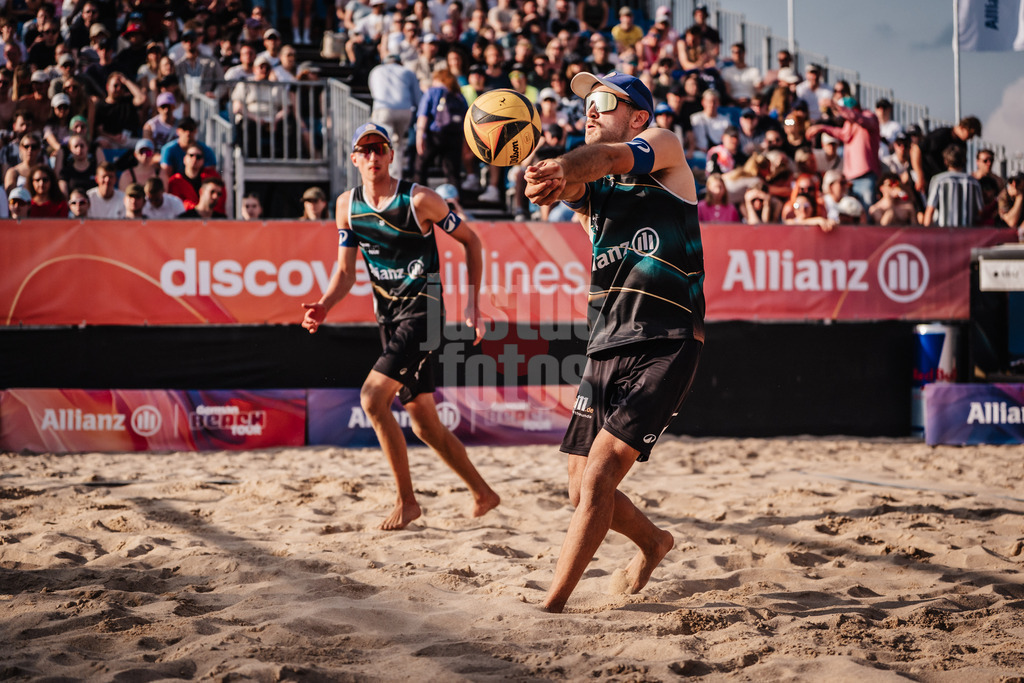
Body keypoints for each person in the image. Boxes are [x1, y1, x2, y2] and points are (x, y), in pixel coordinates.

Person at [523, 72, 704, 613]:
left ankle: (552, 607)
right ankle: (653, 542)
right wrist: (547, 181)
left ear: (639, 118)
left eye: (603, 101)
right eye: (587, 104)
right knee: (579, 491)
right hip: (605, 341)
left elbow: (599, 162)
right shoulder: (597, 189)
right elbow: (580, 184)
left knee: (601, 472)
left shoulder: (666, 148)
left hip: (666, 339)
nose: (591, 109)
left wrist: (563, 168)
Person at [301, 122, 500, 530]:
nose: (373, 157)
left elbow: (472, 241)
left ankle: (407, 502)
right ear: (354, 158)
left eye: (380, 149)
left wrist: (472, 303)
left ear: (391, 155)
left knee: (372, 399)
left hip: (424, 315)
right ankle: (483, 493)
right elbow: (345, 272)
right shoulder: (346, 206)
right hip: (388, 318)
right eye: (365, 150)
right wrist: (323, 305)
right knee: (425, 422)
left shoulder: (420, 199)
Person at [368, 53, 422, 178]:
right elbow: (418, 98)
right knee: (398, 143)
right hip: (404, 111)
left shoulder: (376, 70)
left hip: (383, 110)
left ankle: (386, 175)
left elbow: (374, 93)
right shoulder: (407, 72)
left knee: (385, 143)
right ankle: (396, 175)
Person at [923, 144, 983, 227]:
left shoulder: (938, 180)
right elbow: (980, 212)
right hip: (967, 234)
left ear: (945, 161)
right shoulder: (973, 182)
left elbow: (930, 211)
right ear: (964, 160)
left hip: (944, 233)